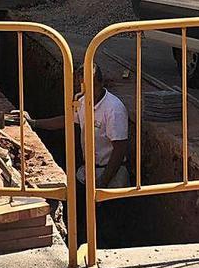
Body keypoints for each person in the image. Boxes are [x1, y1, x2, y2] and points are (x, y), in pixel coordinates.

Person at [27, 63, 130, 243]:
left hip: (111, 175)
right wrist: (35, 123)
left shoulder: (113, 109)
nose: (83, 89)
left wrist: (103, 182)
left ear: (99, 83)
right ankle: (81, 249)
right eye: (80, 85)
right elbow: (67, 120)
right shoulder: (83, 101)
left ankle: (104, 256)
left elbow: (120, 149)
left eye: (87, 85)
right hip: (88, 172)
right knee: (83, 219)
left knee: (108, 226)